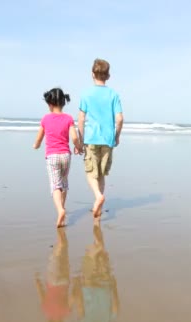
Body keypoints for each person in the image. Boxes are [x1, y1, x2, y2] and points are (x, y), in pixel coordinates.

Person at [77, 59, 124, 218]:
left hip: (91, 138)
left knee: (90, 172)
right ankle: (99, 206)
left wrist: (80, 139)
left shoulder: (86, 94)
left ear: (92, 74)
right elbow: (119, 119)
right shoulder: (113, 94)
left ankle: (98, 196)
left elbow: (81, 119)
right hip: (108, 139)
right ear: (108, 76)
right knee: (102, 173)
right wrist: (117, 136)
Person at [34, 88, 82, 227]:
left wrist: (35, 145)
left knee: (55, 185)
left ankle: (60, 210)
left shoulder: (46, 118)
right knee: (64, 183)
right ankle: (63, 207)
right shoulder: (68, 118)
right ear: (63, 102)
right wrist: (78, 147)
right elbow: (74, 137)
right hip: (66, 156)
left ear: (49, 104)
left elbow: (39, 139)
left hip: (52, 156)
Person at [71, 218, 120, 322]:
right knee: (88, 261)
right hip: (89, 288)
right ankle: (96, 239)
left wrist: (114, 287)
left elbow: (115, 306)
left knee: (103, 260)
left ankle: (97, 225)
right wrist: (76, 286)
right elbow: (80, 305)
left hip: (105, 288)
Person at [35, 228, 72, 322]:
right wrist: (37, 281)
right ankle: (60, 237)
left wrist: (77, 284)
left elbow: (72, 298)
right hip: (52, 281)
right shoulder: (46, 310)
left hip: (64, 281)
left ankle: (62, 238)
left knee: (63, 257)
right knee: (55, 258)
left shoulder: (66, 313)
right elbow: (41, 294)